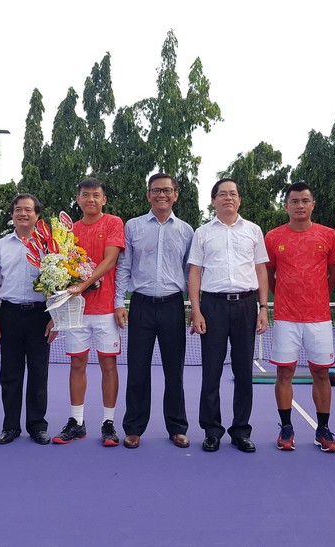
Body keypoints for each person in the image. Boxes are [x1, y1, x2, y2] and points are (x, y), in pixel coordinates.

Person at [188, 178, 269, 453]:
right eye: (222, 194)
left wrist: (263, 308)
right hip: (212, 307)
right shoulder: (202, 233)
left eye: (233, 194)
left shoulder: (254, 231)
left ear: (239, 199)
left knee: (243, 372)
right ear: (213, 201)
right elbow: (195, 273)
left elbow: (261, 270)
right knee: (210, 372)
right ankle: (212, 431)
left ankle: (241, 431)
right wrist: (196, 310)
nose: (228, 198)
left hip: (247, 306)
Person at [115, 173, 194, 449]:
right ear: (148, 195)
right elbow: (124, 267)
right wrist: (118, 302)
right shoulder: (133, 227)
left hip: (173, 306)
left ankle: (177, 427)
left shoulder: (186, 231)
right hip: (140, 306)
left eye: (167, 190)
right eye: (156, 190)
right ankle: (134, 427)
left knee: (175, 371)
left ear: (176, 195)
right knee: (137, 370)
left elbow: (190, 272)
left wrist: (194, 307)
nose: (162, 195)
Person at [265, 182, 335, 452]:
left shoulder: (329, 235)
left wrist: (317, 295)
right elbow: (270, 275)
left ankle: (323, 429)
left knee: (320, 373)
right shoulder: (273, 237)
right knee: (284, 372)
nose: (300, 205)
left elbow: (333, 274)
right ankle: (286, 428)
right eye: (294, 201)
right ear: (286, 205)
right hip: (286, 317)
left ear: (313, 204)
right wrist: (286, 297)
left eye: (305, 200)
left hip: (319, 318)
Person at [49, 178, 125, 447]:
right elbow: (59, 269)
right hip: (75, 311)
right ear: (78, 199)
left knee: (108, 364)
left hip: (105, 310)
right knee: (77, 364)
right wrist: (55, 312)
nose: (90, 199)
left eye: (96, 195)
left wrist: (84, 284)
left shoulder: (114, 223)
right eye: (85, 195)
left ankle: (108, 423)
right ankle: (77, 422)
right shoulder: (68, 232)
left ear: (103, 199)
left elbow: (110, 259)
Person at [0, 194, 52, 446]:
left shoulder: (49, 246)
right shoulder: (0, 246)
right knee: (10, 374)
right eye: (18, 210)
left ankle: (37, 425)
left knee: (39, 373)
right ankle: (10, 426)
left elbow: (60, 286)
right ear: (12, 215)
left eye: (28, 210)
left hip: (41, 315)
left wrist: (54, 318)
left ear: (37, 215)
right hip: (10, 314)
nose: (23, 214)